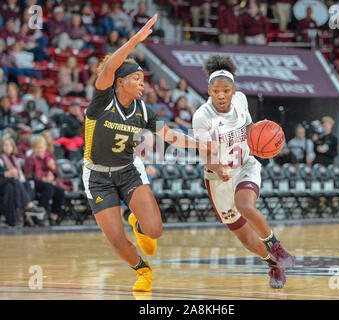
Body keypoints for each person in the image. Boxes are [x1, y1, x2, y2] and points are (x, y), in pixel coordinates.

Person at [82, 15, 210, 293]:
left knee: (154, 230)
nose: (142, 84)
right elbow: (110, 67)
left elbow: (171, 136)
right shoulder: (102, 100)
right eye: (136, 79)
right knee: (116, 240)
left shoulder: (143, 112)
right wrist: (135, 41)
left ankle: (138, 226)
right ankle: (143, 270)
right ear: (119, 82)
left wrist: (204, 144)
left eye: (143, 79)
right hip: (97, 176)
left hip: (128, 171)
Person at [192, 54, 295, 289]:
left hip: (246, 164)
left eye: (226, 90)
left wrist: (265, 134)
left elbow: (250, 128)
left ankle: (276, 246)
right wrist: (219, 168)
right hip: (218, 178)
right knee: (245, 237)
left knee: (245, 206)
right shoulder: (202, 117)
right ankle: (272, 264)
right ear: (209, 90)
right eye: (216, 90)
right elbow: (207, 158)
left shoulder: (240, 100)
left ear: (233, 90)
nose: (221, 95)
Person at [0, 136, 45, 226]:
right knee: (14, 182)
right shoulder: (1, 158)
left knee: (23, 184)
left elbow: (20, 175)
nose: (7, 147)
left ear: (13, 147)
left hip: (9, 184)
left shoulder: (15, 159)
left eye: (9, 145)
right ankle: (28, 206)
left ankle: (23, 218)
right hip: (2, 183)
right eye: (5, 145)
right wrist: (6, 174)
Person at [24, 136, 65, 226]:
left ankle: (53, 217)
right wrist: (42, 178)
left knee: (60, 191)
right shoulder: (30, 159)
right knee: (48, 186)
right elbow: (28, 175)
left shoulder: (50, 156)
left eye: (41, 147)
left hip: (49, 182)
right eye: (37, 147)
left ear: (45, 147)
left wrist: (53, 168)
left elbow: (57, 174)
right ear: (33, 148)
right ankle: (41, 213)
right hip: (35, 184)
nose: (39, 149)